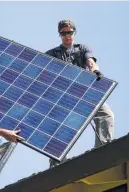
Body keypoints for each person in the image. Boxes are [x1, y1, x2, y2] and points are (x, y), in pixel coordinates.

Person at [46, 19, 115, 168]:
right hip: (64, 97)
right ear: (59, 35)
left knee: (106, 114)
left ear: (74, 32)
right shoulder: (52, 54)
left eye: (69, 32)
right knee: (59, 127)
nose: (66, 36)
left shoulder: (82, 48)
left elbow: (90, 61)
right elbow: (45, 74)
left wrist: (95, 70)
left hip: (84, 92)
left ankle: (103, 148)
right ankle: (57, 162)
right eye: (63, 33)